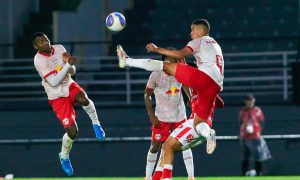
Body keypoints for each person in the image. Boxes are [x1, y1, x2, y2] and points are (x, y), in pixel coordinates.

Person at [116, 18, 224, 179]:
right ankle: (209, 135)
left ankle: (127, 61)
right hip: (215, 86)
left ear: (201, 31)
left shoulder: (199, 41)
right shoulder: (216, 45)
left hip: (204, 79)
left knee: (164, 65)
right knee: (196, 125)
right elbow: (216, 99)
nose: (191, 32)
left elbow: (180, 54)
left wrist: (156, 49)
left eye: (193, 29)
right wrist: (192, 97)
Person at [32, 32, 105, 176]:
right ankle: (64, 156)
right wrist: (68, 65)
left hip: (68, 84)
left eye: (46, 39)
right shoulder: (39, 60)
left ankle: (96, 123)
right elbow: (53, 82)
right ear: (36, 46)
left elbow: (72, 71)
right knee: (73, 132)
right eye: (41, 42)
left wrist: (69, 63)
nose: (46, 43)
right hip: (56, 95)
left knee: (83, 99)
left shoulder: (59, 48)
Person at [144, 49, 195, 180]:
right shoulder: (156, 74)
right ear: (163, 60)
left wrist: (190, 97)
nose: (172, 61)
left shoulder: (179, 71)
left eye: (174, 59)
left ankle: (191, 176)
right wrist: (151, 115)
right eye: (169, 59)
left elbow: (184, 84)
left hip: (179, 115)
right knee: (155, 146)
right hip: (162, 117)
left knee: (185, 144)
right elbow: (147, 94)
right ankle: (148, 177)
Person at [239, 94, 271, 176]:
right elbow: (240, 122)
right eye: (248, 100)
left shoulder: (257, 110)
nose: (249, 102)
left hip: (255, 137)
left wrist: (258, 130)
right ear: (245, 101)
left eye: (251, 100)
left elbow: (262, 121)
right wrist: (244, 129)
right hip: (245, 137)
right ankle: (244, 173)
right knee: (245, 156)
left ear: (254, 101)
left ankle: (259, 172)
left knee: (258, 155)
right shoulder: (243, 111)